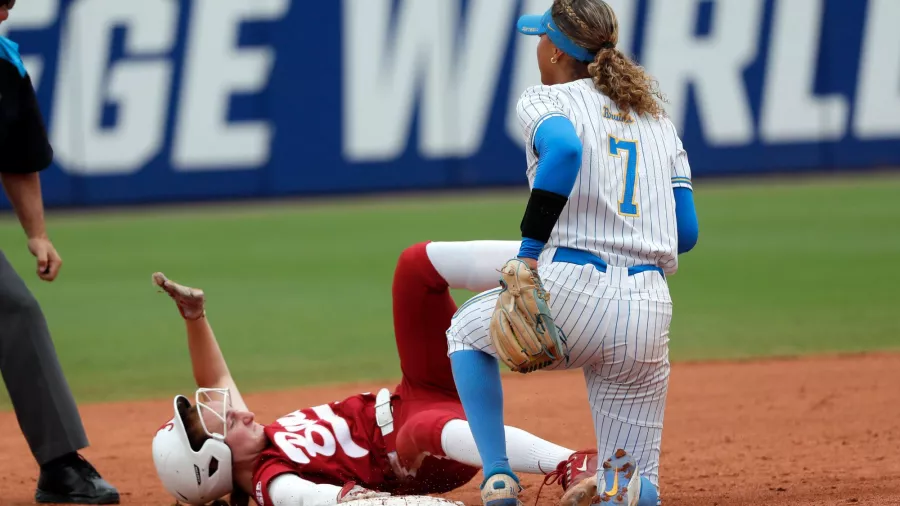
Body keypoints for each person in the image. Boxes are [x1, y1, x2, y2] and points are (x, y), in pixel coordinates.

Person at [444, 1, 700, 506]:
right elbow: (685, 234)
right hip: (648, 310)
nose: (538, 47)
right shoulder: (659, 122)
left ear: (557, 51)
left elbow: (562, 151)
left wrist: (528, 252)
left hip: (574, 292)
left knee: (465, 334)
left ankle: (497, 476)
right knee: (632, 482)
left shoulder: (546, 100)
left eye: (541, 38)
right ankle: (620, 493)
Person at [151, 241, 601, 506]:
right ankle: (570, 463)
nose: (242, 414)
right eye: (228, 424)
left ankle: (562, 261)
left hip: (415, 393)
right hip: (415, 456)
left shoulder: (260, 441)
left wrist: (195, 317)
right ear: (215, 466)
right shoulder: (274, 483)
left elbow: (220, 379)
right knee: (420, 427)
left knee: (414, 268)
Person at [0, 1, 120, 503]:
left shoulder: (5, 64)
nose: (5, 12)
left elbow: (18, 154)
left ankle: (60, 465)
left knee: (17, 311)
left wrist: (37, 233)